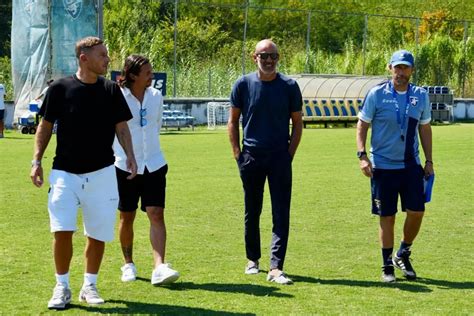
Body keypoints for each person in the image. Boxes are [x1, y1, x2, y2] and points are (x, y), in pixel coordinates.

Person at [30, 36, 137, 309]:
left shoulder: (111, 89)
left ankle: (89, 285)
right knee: (62, 230)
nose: (107, 60)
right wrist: (36, 160)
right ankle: (61, 286)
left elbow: (121, 127)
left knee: (97, 233)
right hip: (64, 173)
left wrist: (131, 157)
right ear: (84, 58)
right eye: (102, 55)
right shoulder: (59, 89)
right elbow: (45, 127)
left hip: (102, 172)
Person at [228, 39, 303, 285]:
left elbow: (298, 124)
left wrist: (288, 155)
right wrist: (238, 154)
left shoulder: (289, 86)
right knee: (253, 211)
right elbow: (233, 122)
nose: (269, 60)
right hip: (251, 157)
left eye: (273, 56)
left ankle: (276, 267)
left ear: (278, 58)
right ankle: (252, 260)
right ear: (254, 57)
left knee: (281, 212)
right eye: (264, 56)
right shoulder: (243, 84)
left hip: (280, 157)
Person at [356, 49, 434, 283]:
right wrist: (362, 155)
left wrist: (429, 160)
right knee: (387, 216)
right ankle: (387, 265)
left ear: (412, 70)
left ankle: (403, 252)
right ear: (389, 68)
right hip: (382, 166)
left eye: (405, 67)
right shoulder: (377, 94)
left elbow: (425, 128)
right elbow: (362, 125)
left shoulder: (420, 95)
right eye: (397, 67)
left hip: (411, 165)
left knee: (417, 212)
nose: (401, 72)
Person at [113, 54, 179, 285]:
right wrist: (127, 155)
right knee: (127, 216)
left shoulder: (156, 96)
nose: (152, 76)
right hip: (124, 166)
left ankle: (159, 266)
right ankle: (128, 264)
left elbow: (156, 124)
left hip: (154, 163)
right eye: (147, 73)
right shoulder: (118, 96)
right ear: (132, 75)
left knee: (156, 213)